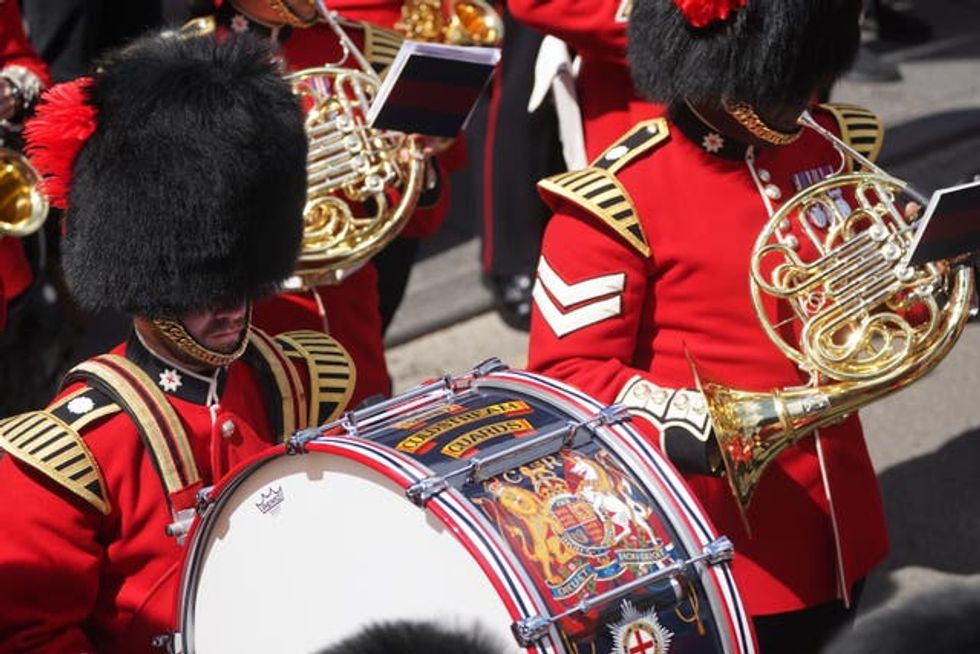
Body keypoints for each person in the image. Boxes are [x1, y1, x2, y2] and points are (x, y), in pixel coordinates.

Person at [527, 0, 888, 651]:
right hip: (725, 546)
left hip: (843, 525)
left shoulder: (832, 146)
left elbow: (865, 297)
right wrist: (701, 424)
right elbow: (565, 377)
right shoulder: (619, 197)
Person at [0, 31, 356, 652]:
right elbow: (30, 635)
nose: (230, 306)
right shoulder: (75, 454)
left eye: (239, 282)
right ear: (148, 285)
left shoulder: (301, 385)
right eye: (202, 290)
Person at [198, 0, 457, 405]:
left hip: (349, 311)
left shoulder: (361, 46)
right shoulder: (180, 63)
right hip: (251, 319)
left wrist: (414, 167)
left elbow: (423, 217)